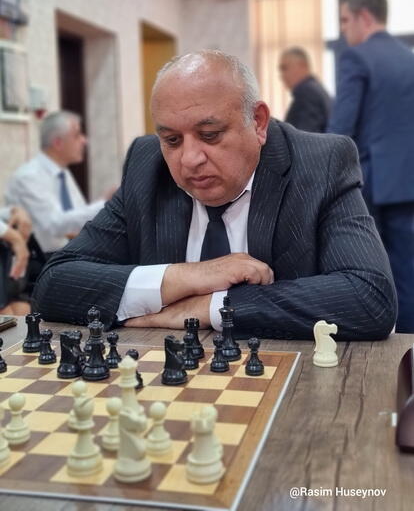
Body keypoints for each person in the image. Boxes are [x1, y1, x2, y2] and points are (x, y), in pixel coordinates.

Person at [33, 50, 396, 341]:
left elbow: (370, 298)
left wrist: (211, 307)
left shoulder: (321, 164)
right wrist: (185, 278)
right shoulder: (148, 166)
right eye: (172, 140)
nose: (189, 159)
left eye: (210, 135)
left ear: (258, 122)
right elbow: (54, 283)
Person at [328, 0, 414, 333]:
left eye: (345, 20)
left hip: (372, 185)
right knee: (408, 271)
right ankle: (409, 349)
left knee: (368, 276)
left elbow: (341, 131)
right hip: (408, 182)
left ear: (364, 17)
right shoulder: (409, 58)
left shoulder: (357, 57)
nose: (343, 30)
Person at [5, 111, 112, 255]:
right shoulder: (28, 177)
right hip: (42, 261)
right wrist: (105, 204)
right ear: (58, 143)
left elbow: (77, 220)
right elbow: (55, 224)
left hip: (70, 255)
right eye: (77, 135)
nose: (84, 140)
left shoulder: (63, 172)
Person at [279, 47, 331, 133]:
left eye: (285, 68)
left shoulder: (307, 93)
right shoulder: (314, 89)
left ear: (302, 65)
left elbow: (304, 136)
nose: (282, 75)